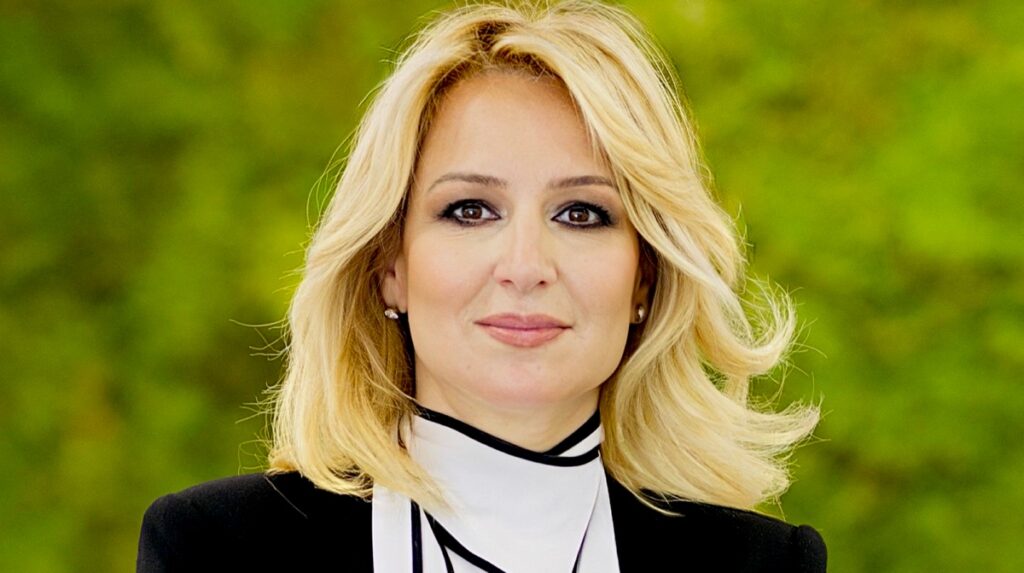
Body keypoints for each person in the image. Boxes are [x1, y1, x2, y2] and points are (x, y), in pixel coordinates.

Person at [137, 1, 827, 571]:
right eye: (470, 210)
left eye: (581, 213)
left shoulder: (764, 564)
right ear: (390, 267)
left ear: (644, 276)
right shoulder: (217, 549)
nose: (525, 265)